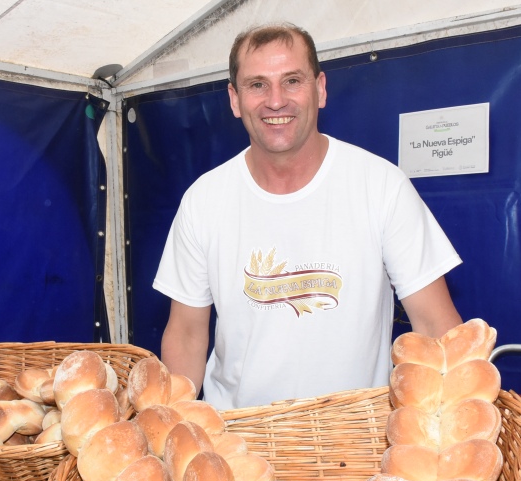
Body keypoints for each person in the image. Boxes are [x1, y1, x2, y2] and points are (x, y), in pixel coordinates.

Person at [152, 22, 463, 410]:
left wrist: (449, 428)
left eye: (292, 81)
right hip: (235, 446)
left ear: (320, 89)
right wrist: (170, 422)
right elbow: (185, 333)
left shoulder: (381, 185)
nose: (276, 100)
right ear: (234, 99)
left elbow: (436, 328)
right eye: (257, 85)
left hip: (357, 445)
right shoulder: (203, 200)